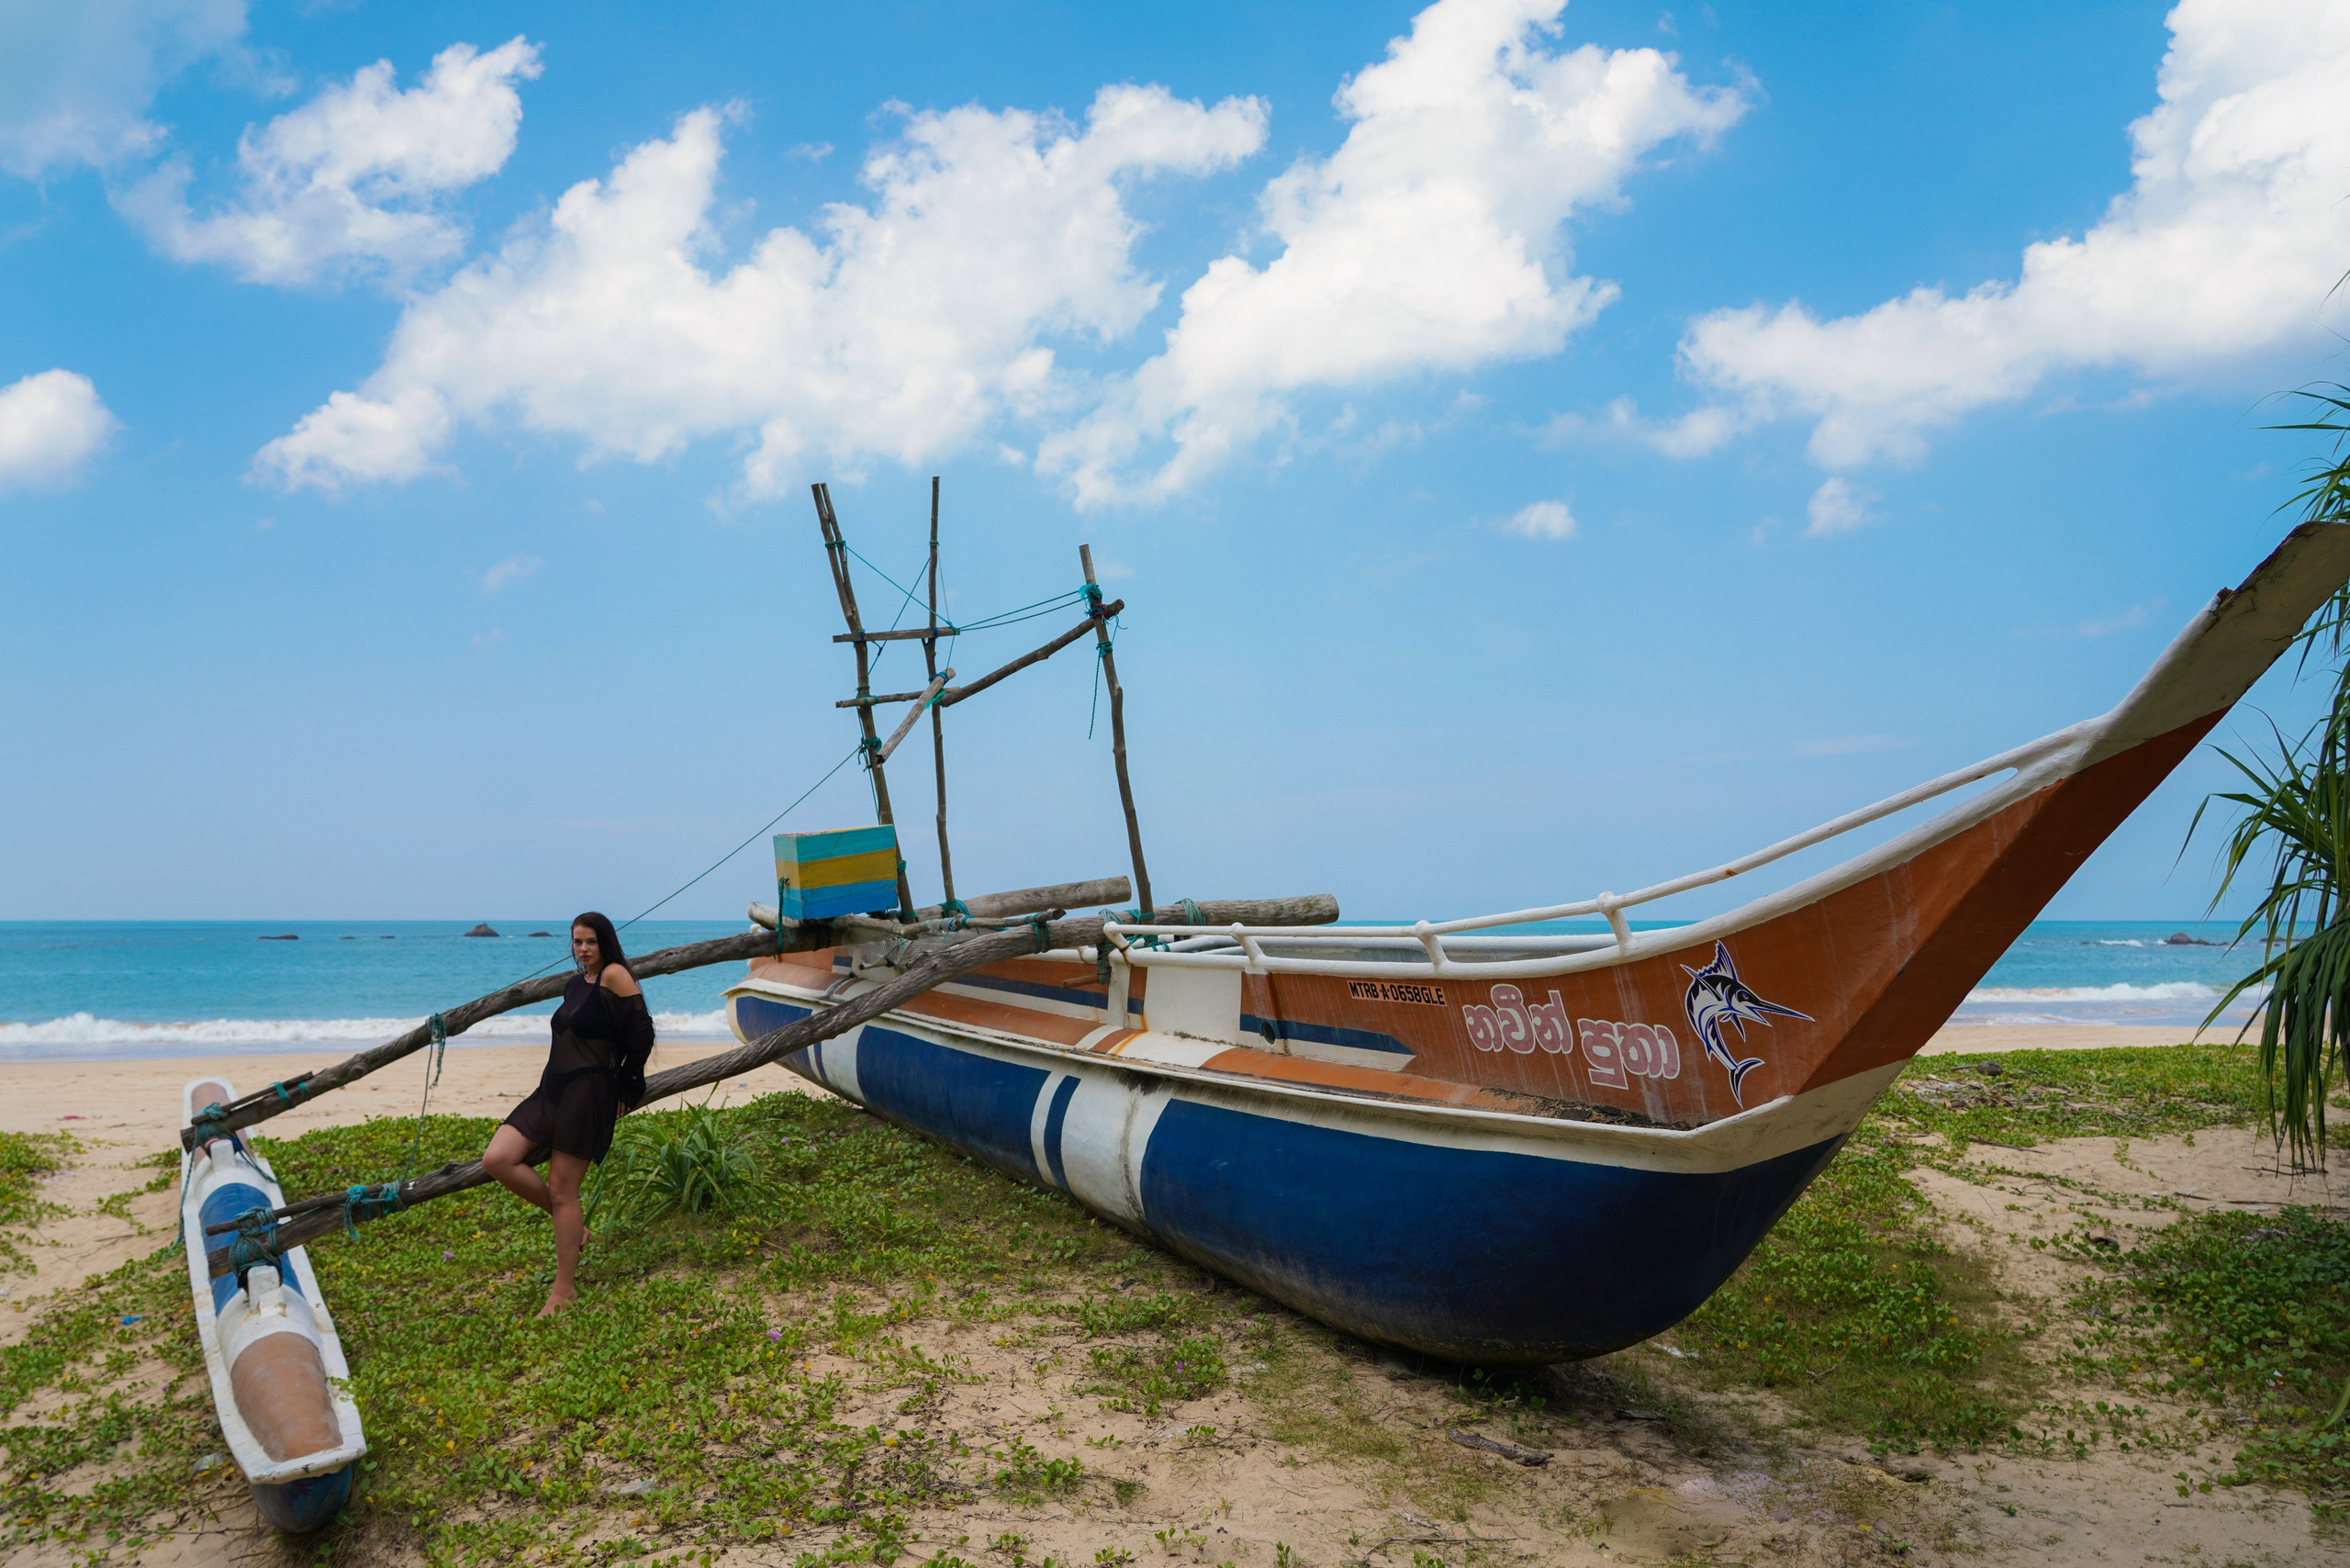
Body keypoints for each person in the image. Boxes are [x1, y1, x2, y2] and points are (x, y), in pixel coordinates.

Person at [482, 912, 655, 1315]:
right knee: (497, 1159)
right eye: (577, 942)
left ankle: (564, 1291)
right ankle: (574, 1225)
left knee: (564, 1191)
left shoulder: (616, 975)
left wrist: (629, 1085)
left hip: (588, 1092)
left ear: (605, 942)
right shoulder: (575, 983)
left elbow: (641, 1033)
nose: (583, 949)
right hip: (551, 1090)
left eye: (590, 941)